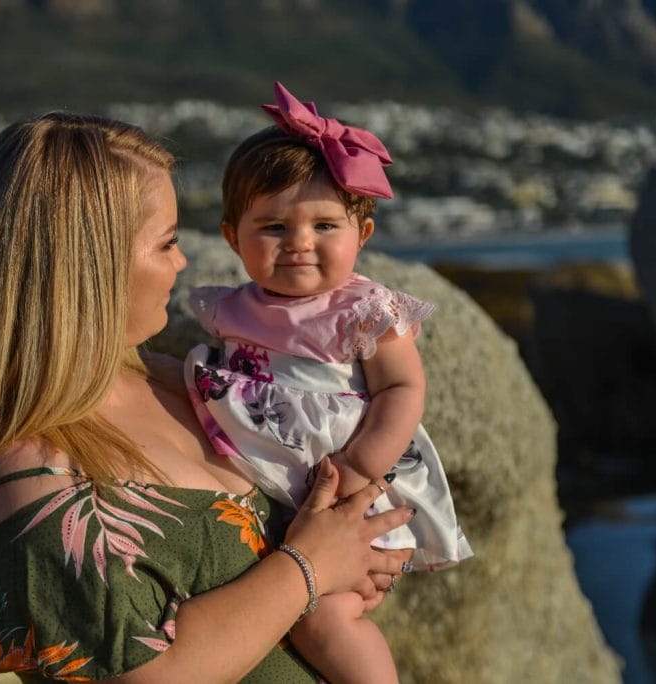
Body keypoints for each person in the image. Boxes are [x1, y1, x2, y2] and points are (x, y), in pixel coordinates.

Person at [0, 110, 416, 683]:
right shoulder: (30, 491)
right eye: (167, 243)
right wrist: (310, 567)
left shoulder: (177, 381)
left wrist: (359, 549)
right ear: (90, 269)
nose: (183, 261)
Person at [183, 82, 473, 683]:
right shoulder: (229, 306)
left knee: (325, 619)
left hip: (346, 489)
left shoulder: (363, 310)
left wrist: (361, 469)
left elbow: (401, 392)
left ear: (361, 234)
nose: (299, 245)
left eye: (323, 225)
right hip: (266, 474)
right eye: (272, 228)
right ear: (232, 236)